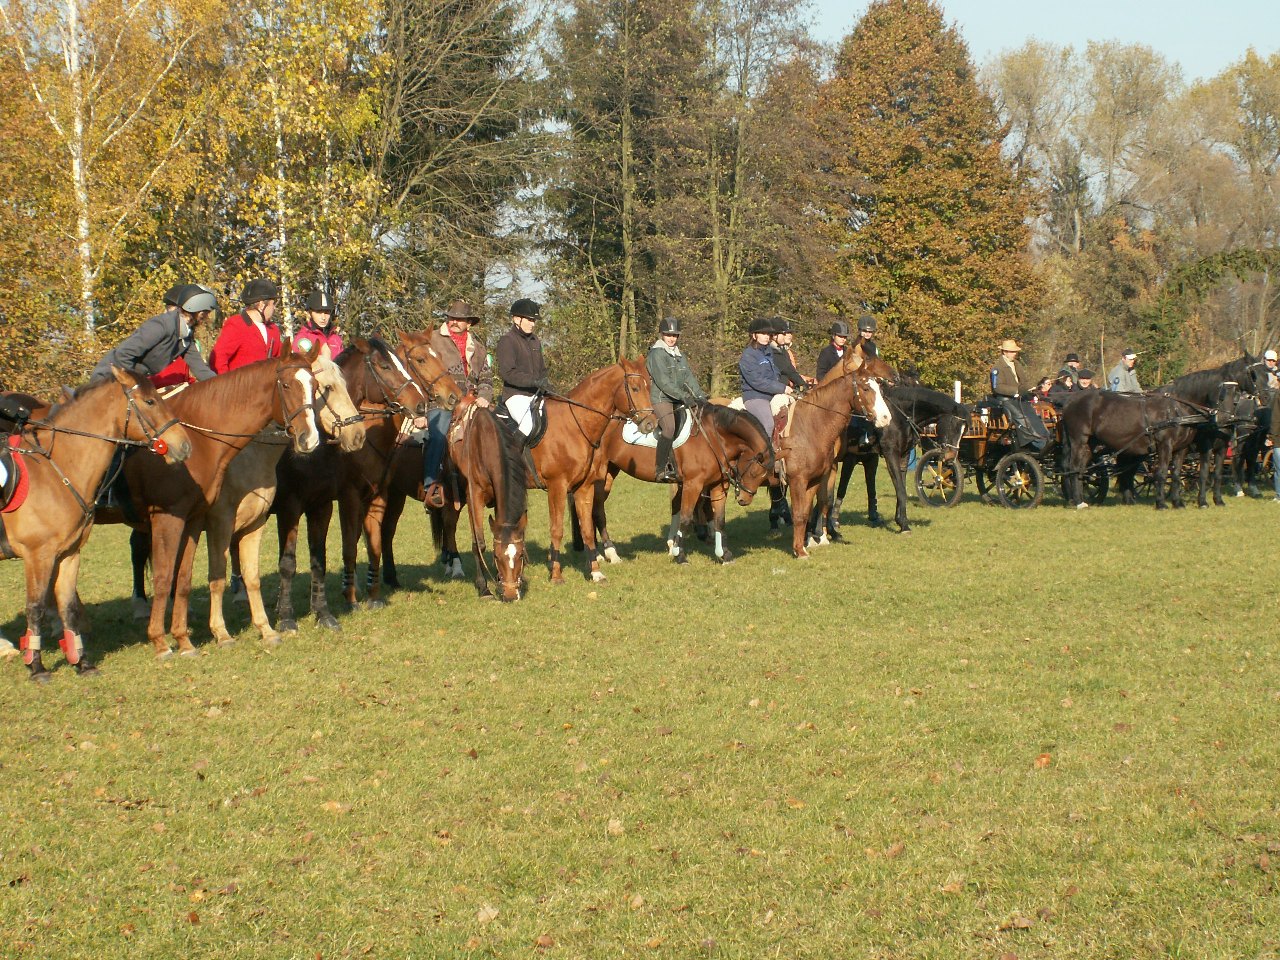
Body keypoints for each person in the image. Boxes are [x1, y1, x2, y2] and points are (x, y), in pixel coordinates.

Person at [422, 299, 493, 508]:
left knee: (499, 430)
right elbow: (423, 374)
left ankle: (494, 483)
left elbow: (487, 379)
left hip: (473, 402)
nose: (455, 322)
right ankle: (430, 484)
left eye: (460, 319)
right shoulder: (433, 340)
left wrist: (485, 397)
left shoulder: (478, 349)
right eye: (452, 318)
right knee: (438, 434)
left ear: (468, 323)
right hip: (441, 403)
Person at [88, 285, 218, 386]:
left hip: (134, 382)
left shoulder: (185, 337)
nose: (206, 317)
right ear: (193, 308)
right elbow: (123, 354)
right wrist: (131, 385)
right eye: (204, 313)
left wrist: (224, 385)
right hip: (109, 379)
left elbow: (201, 369)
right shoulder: (161, 325)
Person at [739, 316, 792, 530]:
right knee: (768, 424)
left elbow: (776, 375)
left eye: (768, 334)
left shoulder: (768, 352)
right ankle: (770, 461)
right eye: (763, 334)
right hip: (755, 397)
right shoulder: (748, 356)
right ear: (754, 335)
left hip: (771, 394)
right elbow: (757, 382)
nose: (766, 337)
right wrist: (781, 388)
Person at [646, 316, 708, 482]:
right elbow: (663, 382)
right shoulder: (656, 354)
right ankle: (661, 468)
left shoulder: (679, 355)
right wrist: (684, 396)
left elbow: (688, 377)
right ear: (662, 334)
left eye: (675, 335)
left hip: (677, 399)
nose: (672, 338)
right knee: (669, 427)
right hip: (662, 399)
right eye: (668, 335)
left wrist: (700, 395)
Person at [495, 297, 550, 437]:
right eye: (529, 320)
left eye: (534, 321)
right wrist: (534, 381)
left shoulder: (535, 341)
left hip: (535, 395)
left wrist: (547, 385)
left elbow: (542, 369)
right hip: (515, 395)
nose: (532, 324)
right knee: (528, 426)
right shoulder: (507, 341)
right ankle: (515, 456)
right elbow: (508, 373)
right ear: (516, 319)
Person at [211, 278, 283, 373]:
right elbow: (217, 359)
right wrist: (229, 384)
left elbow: (282, 360)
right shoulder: (236, 325)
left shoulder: (273, 329)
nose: (274, 308)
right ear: (262, 305)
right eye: (273, 304)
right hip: (240, 386)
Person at [990, 338, 1048, 452]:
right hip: (1005, 400)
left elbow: (1024, 382)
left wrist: (1030, 390)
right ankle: (1035, 441)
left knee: (1033, 415)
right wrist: (1016, 391)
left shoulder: (1017, 364)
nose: (1014, 354)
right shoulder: (997, 368)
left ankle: (1044, 437)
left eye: (1015, 351)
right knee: (1021, 417)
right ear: (1004, 352)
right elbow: (997, 387)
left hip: (1020, 399)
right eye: (1012, 352)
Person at [293, 289, 343, 360]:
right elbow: (300, 366)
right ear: (310, 313)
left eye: (326, 312)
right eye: (318, 312)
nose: (323, 317)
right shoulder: (303, 338)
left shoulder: (336, 339)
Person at [769, 317, 811, 391]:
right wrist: (803, 384)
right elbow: (789, 371)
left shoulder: (782, 350)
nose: (785, 336)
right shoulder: (771, 352)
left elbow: (791, 370)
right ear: (774, 335)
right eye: (783, 334)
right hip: (775, 391)